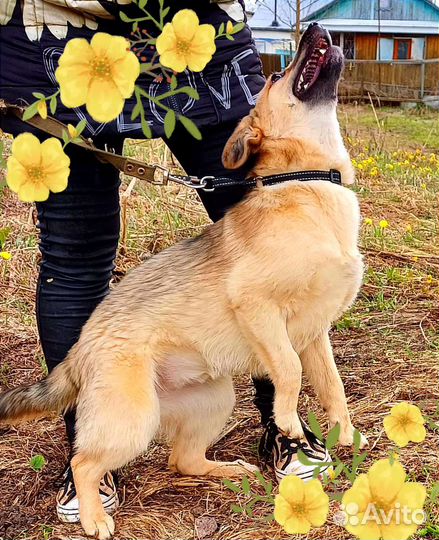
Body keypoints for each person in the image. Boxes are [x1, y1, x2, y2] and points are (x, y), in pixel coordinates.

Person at [0, 0, 330, 524]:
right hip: (56, 32)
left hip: (197, 28)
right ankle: (89, 456)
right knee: (74, 251)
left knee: (274, 244)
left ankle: (284, 426)